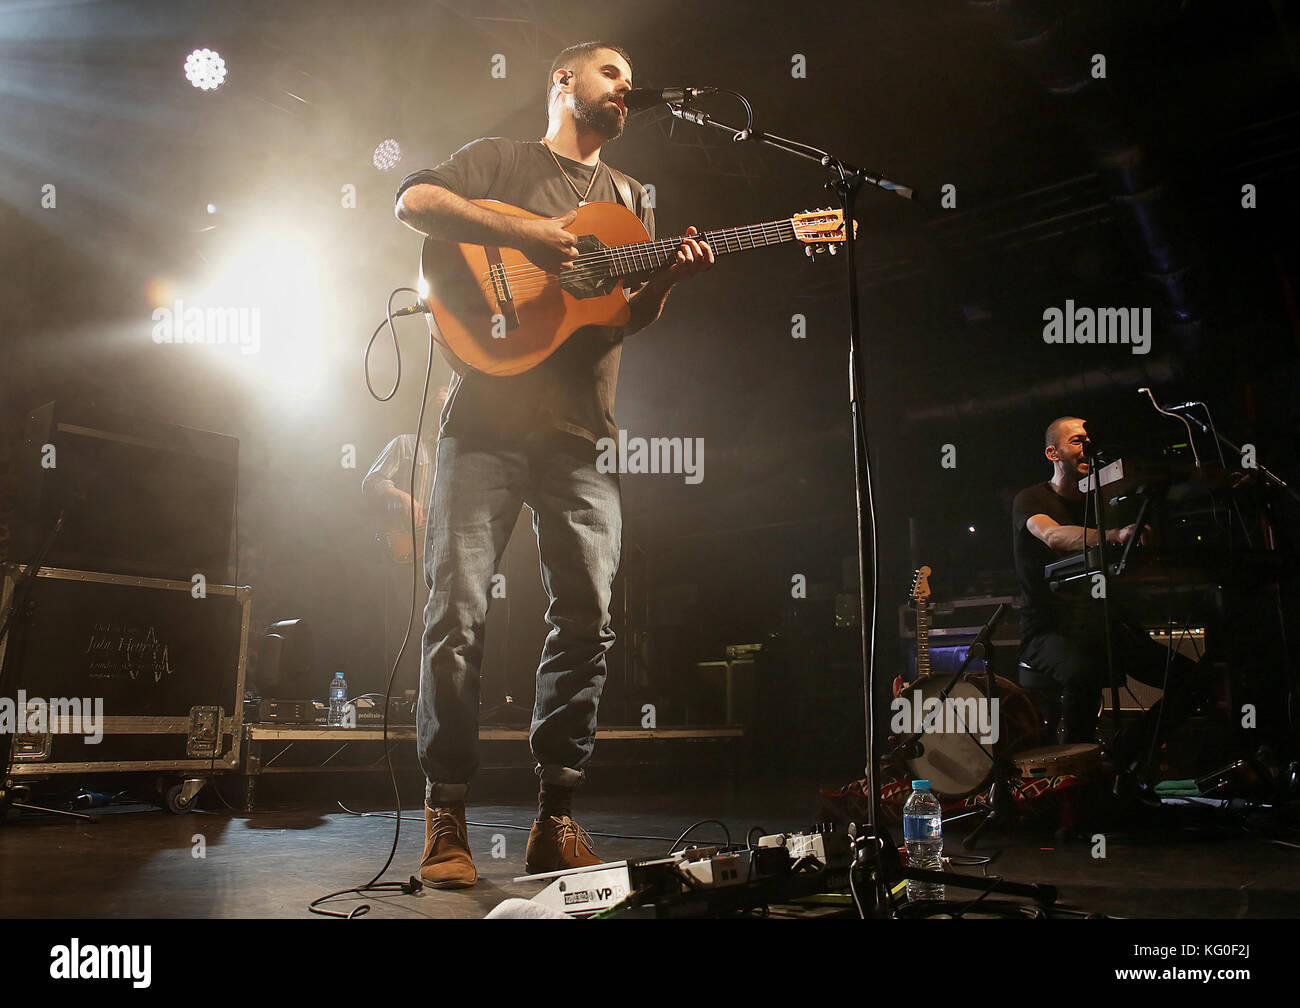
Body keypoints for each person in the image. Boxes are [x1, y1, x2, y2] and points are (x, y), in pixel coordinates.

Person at [394, 41, 714, 887]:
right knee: (456, 615)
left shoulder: (634, 197)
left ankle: (556, 817)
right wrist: (530, 232)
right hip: (486, 424)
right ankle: (447, 815)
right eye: (613, 74)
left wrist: (669, 281)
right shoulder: (501, 160)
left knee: (589, 619)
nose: (627, 89)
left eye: (631, 82)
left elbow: (615, 318)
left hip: (582, 435)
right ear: (564, 81)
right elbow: (413, 201)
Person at [1011, 415, 1203, 790]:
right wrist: (1114, 534)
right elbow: (1052, 535)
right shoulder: (1031, 499)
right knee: (1084, 671)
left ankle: (1117, 758)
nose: (1087, 446)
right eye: (1077, 440)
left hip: (1102, 628)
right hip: (1047, 632)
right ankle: (1067, 785)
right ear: (1053, 452)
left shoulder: (1101, 501)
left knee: (1191, 679)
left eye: (1089, 439)